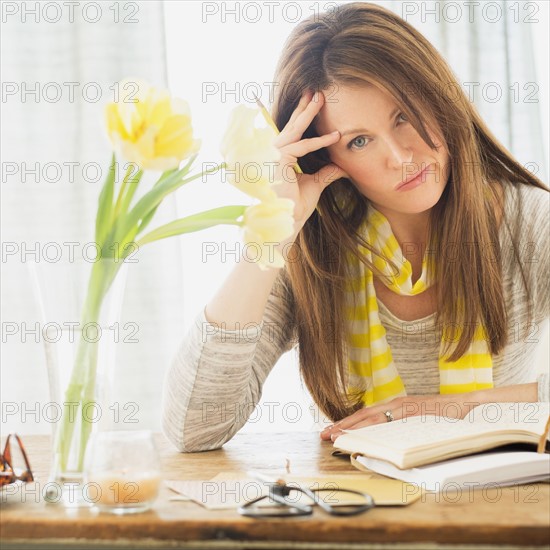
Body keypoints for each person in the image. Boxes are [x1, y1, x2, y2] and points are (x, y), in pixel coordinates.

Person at [161, 2, 549, 452]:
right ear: (325, 157)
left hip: (495, 507)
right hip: (354, 506)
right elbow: (194, 429)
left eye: (403, 115)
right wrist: (271, 233)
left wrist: (454, 408)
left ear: (440, 98)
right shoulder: (306, 245)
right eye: (359, 141)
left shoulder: (530, 224)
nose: (401, 156)